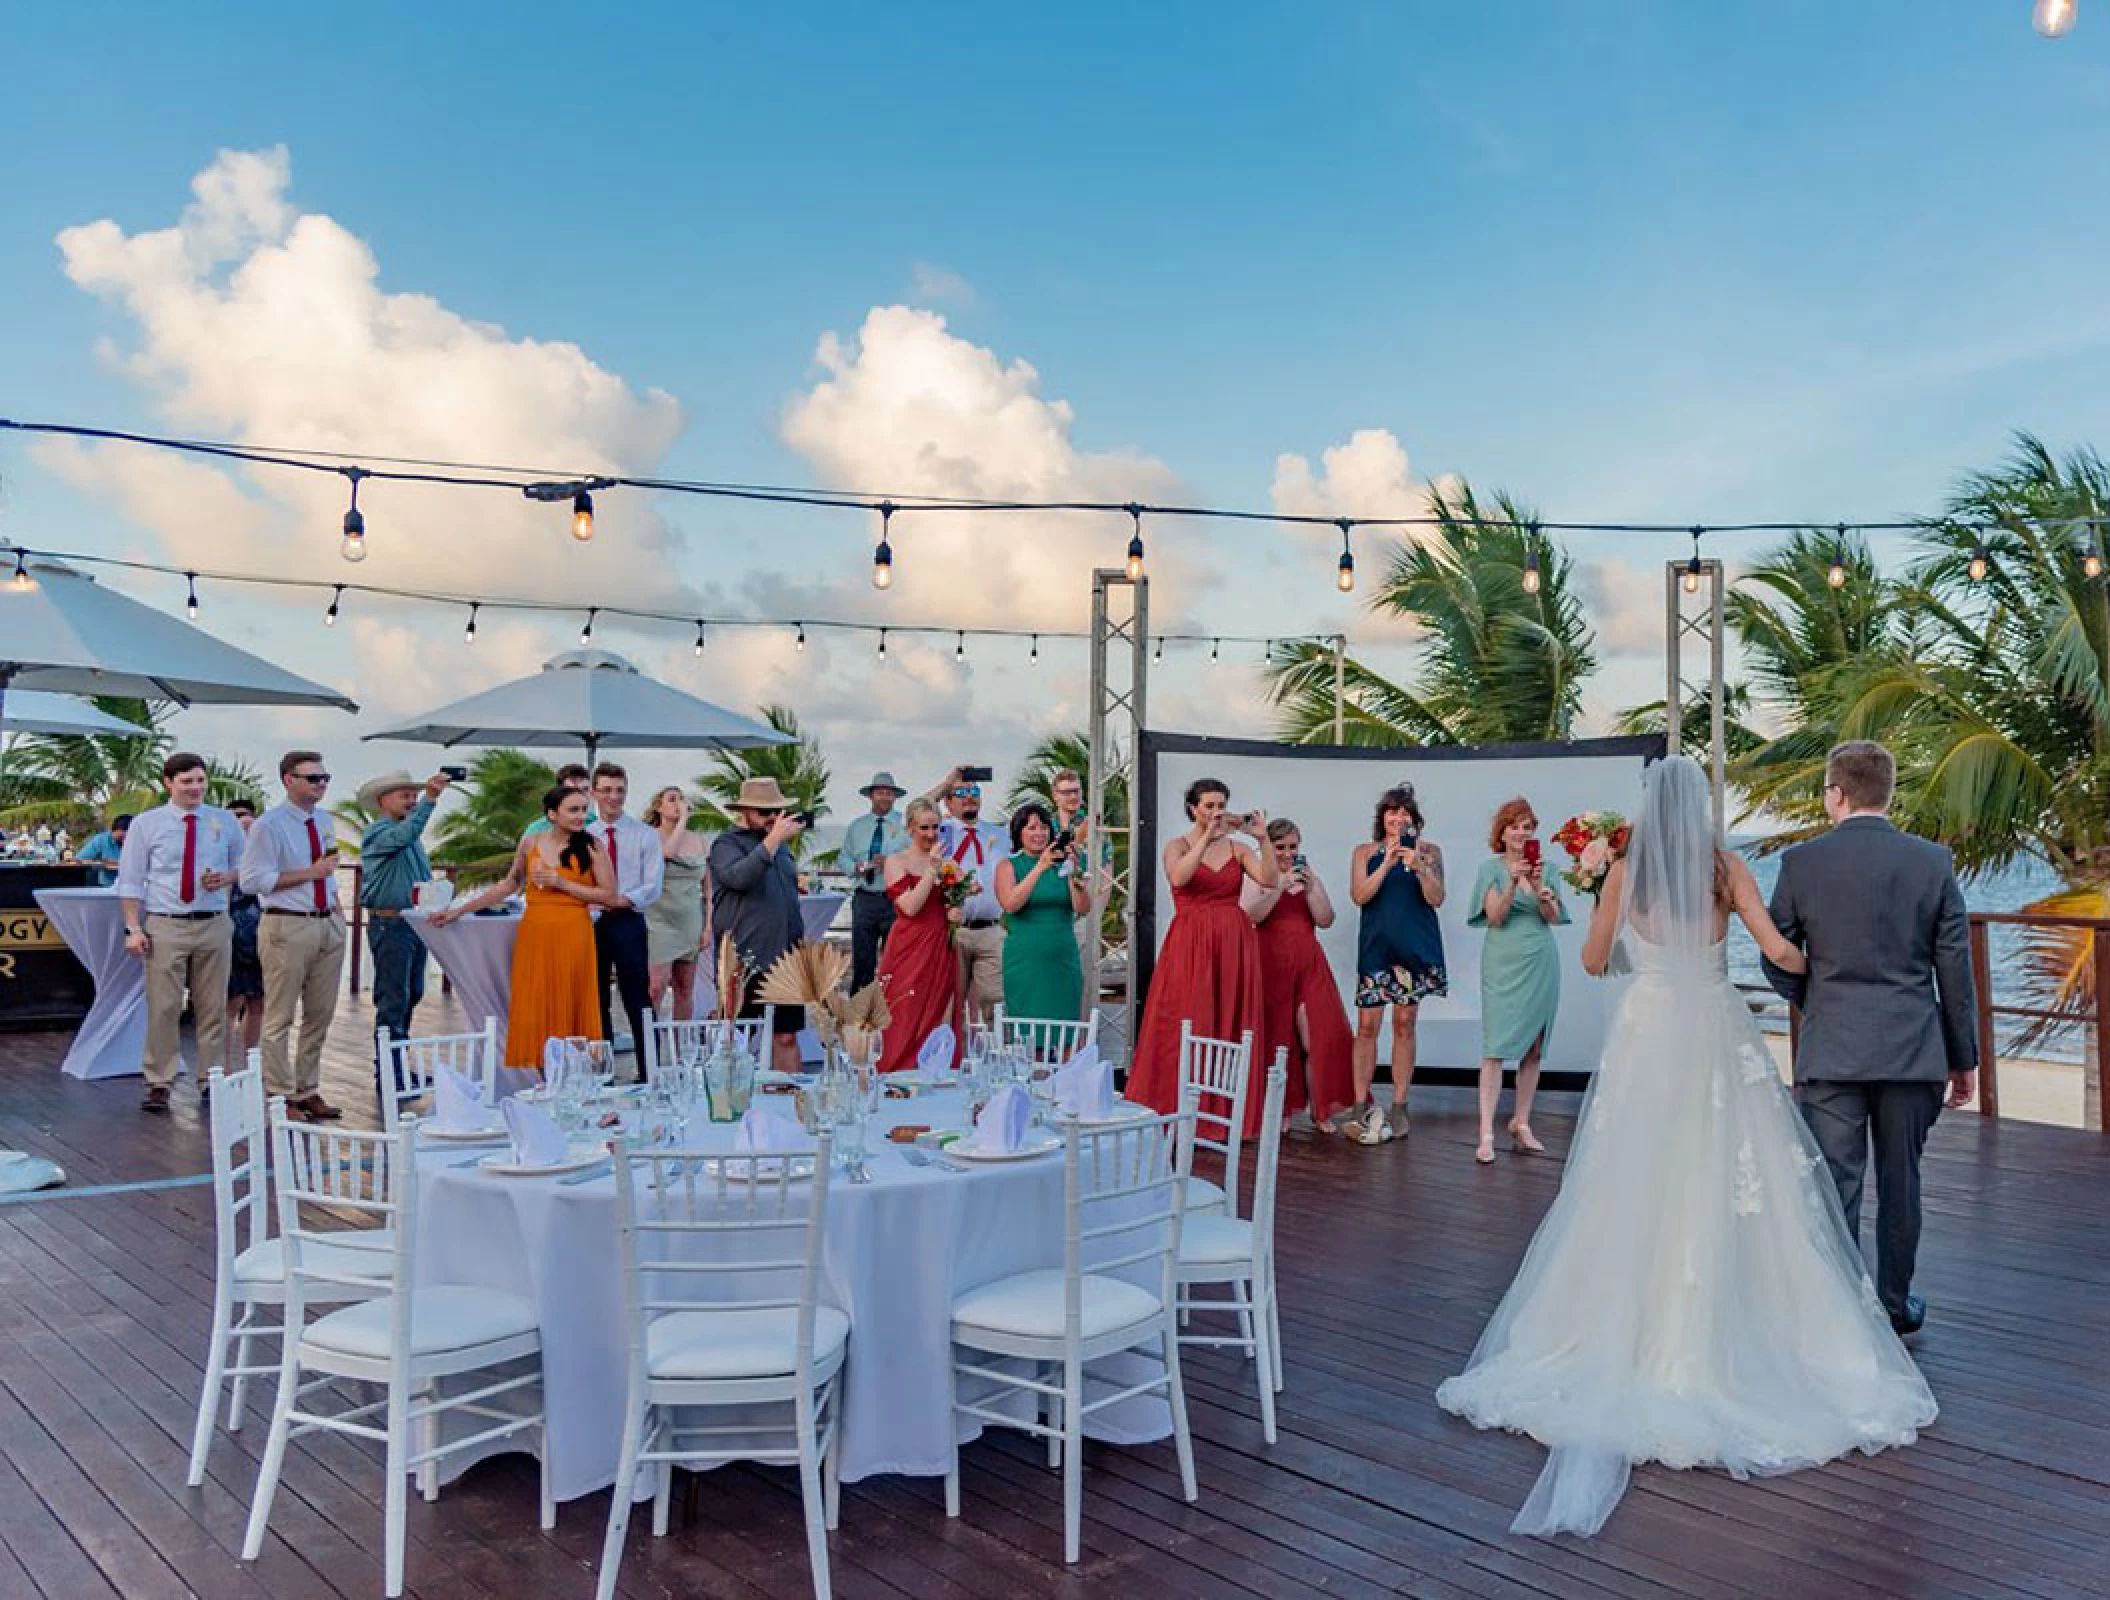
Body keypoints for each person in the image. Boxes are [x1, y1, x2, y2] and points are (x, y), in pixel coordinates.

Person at [1437, 754, 1936, 1539]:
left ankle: (1626, 1332)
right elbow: (1779, 950)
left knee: (1631, 1178)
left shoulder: (1625, 871)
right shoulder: (1726, 867)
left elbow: (1597, 960)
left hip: (1649, 1033)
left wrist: (1623, 918)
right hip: (1711, 1025)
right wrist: (1847, 970)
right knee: (1732, 1176)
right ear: (1699, 809)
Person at [1763, 739, 1979, 1338]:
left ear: (1835, 793)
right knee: (1902, 1181)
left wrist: (1820, 1002)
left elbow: (1776, 957)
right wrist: (1963, 1059)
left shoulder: (1800, 863)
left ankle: (1837, 1310)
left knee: (1836, 1185)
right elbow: (1953, 973)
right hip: (1914, 1052)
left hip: (1832, 1050)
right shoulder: (1933, 862)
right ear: (1887, 793)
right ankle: (1894, 1304)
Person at [432, 785, 618, 1069]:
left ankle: (575, 1076)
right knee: (537, 1005)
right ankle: (543, 1078)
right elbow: (509, 884)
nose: (581, 816)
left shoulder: (592, 846)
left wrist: (562, 883)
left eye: (584, 810)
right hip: (535, 931)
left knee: (571, 1002)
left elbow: (609, 895)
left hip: (573, 931)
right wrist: (459, 910)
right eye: (573, 810)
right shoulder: (531, 843)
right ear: (552, 814)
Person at [1126, 779, 1273, 1119]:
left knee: (1229, 1021)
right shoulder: (1176, 845)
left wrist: (1262, 839)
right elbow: (1179, 878)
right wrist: (1207, 836)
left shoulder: (1239, 849)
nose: (1216, 811)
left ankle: (1223, 1110)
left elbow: (1269, 878)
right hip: (1190, 941)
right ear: (1194, 809)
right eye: (1209, 806)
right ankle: (1179, 1106)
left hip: (1233, 941)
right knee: (1186, 1017)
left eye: (1221, 805)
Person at [115, 754, 240, 1113]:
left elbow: (245, 867)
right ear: (168, 782)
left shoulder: (224, 821)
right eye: (187, 781)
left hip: (213, 921)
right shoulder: (147, 823)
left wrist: (227, 878)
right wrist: (133, 928)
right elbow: (131, 879)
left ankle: (210, 1080)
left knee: (213, 1006)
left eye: (200, 780)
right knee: (164, 1006)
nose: (195, 788)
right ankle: (159, 1081)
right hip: (165, 922)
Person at [239, 751, 348, 1122]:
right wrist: (310, 873)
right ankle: (279, 1092)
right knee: (279, 1014)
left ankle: (308, 1088)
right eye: (313, 778)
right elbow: (252, 880)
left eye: (324, 777)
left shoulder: (324, 821)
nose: (321, 784)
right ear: (289, 780)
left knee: (321, 1012)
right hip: (287, 923)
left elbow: (329, 869)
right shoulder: (268, 826)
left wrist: (336, 905)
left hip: (326, 921)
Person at [1468, 798, 1569, 1165]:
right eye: (1514, 826)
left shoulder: (1549, 869)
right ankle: (1486, 1132)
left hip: (1541, 958)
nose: (1521, 832)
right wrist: (1513, 884)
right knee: (1495, 1046)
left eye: (1527, 826)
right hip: (1502, 961)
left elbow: (1554, 917)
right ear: (1502, 832)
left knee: (1534, 1046)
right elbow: (1495, 917)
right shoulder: (1489, 870)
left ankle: (1521, 1121)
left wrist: (1543, 891)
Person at [1345, 784, 1447, 1146]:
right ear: (1382, 817)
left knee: (1405, 1023)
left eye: (1405, 813)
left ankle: (1400, 1103)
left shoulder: (1430, 851)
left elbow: (1436, 899)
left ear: (1414, 819)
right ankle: (1360, 1104)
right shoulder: (1364, 852)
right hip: (1377, 947)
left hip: (1413, 946)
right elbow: (1360, 896)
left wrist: (1420, 869)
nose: (1398, 818)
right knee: (1368, 1025)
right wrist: (1387, 862)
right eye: (1392, 812)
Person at [1242, 818, 1357, 1135]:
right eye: (1281, 847)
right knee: (1278, 1037)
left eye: (1293, 847)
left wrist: (1309, 890)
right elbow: (1250, 914)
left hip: (1307, 960)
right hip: (1271, 962)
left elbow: (1326, 919)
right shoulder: (1260, 873)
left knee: (1319, 1034)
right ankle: (1281, 1109)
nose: (1288, 854)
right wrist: (1278, 885)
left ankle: (1321, 1108)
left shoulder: (1308, 874)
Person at [357, 769, 454, 1089]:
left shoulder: (405, 834)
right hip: (391, 924)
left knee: (409, 994)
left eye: (413, 795)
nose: (411, 801)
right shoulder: (380, 832)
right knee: (393, 999)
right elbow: (407, 835)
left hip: (411, 923)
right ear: (383, 801)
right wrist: (430, 800)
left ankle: (395, 1066)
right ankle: (388, 1071)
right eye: (405, 796)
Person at [707, 776, 807, 1073]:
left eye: (777, 813)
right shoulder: (726, 844)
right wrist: (773, 840)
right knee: (737, 1039)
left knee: (786, 1036)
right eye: (764, 813)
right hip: (743, 957)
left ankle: (793, 1104)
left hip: (785, 958)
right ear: (745, 811)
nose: (773, 819)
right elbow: (738, 878)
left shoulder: (783, 849)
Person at [585, 764, 663, 1073]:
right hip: (593, 920)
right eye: (606, 790)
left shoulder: (645, 835)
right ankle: (603, 1072)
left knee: (636, 996)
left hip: (628, 918)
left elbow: (652, 884)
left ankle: (649, 1071)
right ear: (594, 794)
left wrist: (621, 899)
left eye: (619, 790)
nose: (613, 797)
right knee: (596, 996)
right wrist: (596, 904)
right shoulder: (585, 835)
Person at [876, 799, 963, 1073]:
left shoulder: (949, 863)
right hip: (908, 943)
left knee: (938, 1009)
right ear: (910, 828)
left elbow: (953, 901)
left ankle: (933, 1071)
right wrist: (931, 872)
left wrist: (958, 905)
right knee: (903, 1009)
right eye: (924, 827)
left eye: (936, 827)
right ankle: (894, 1071)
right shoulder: (896, 861)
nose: (931, 834)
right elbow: (910, 907)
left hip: (940, 942)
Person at [994, 801, 1090, 1030]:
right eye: (1032, 828)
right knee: (1027, 1031)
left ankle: (1067, 1064)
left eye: (1044, 828)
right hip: (1026, 958)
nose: (1039, 833)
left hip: (1062, 955)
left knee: (1067, 1028)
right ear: (1019, 833)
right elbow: (1011, 904)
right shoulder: (1008, 866)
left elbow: (1083, 908)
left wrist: (1073, 874)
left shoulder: (1065, 865)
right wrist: (1039, 867)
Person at [927, 767, 1010, 1032]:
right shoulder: (941, 832)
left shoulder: (1000, 835)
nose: (968, 797)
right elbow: (918, 808)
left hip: (992, 929)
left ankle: (995, 1059)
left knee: (994, 1001)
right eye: (960, 793)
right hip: (953, 930)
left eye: (973, 791)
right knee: (950, 1004)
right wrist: (947, 781)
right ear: (948, 802)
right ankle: (949, 1061)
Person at [643, 785, 708, 1022]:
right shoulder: (650, 836)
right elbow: (667, 855)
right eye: (672, 800)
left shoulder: (698, 841)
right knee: (656, 986)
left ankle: (683, 1047)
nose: (678, 804)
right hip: (659, 919)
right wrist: (683, 821)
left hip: (689, 918)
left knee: (685, 987)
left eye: (682, 799)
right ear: (659, 807)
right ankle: (650, 1044)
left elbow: (707, 889)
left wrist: (707, 925)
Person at [844, 772, 910, 991]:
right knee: (863, 959)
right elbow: (843, 857)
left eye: (889, 793)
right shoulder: (857, 826)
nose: (884, 797)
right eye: (880, 792)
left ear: (895, 797)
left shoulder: (906, 826)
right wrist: (855, 868)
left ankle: (893, 1008)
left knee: (896, 958)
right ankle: (860, 1012)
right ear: (871, 796)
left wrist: (890, 862)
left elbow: (915, 855)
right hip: (865, 898)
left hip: (895, 898)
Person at [224, 800, 265, 1075]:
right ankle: (223, 1067)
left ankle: (252, 1063)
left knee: (258, 1003)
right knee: (231, 1003)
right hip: (232, 936)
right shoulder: (223, 859)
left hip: (262, 936)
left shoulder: (265, 857)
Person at [524, 763, 592, 836]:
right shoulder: (537, 829)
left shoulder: (596, 825)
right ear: (559, 792)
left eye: (585, 789)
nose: (579, 795)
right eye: (572, 790)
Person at [77, 813, 132, 880]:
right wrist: (102, 862)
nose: (124, 841)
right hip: (107, 885)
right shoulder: (101, 840)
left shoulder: (140, 841)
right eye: (121, 837)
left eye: (129, 838)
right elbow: (78, 860)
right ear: (114, 830)